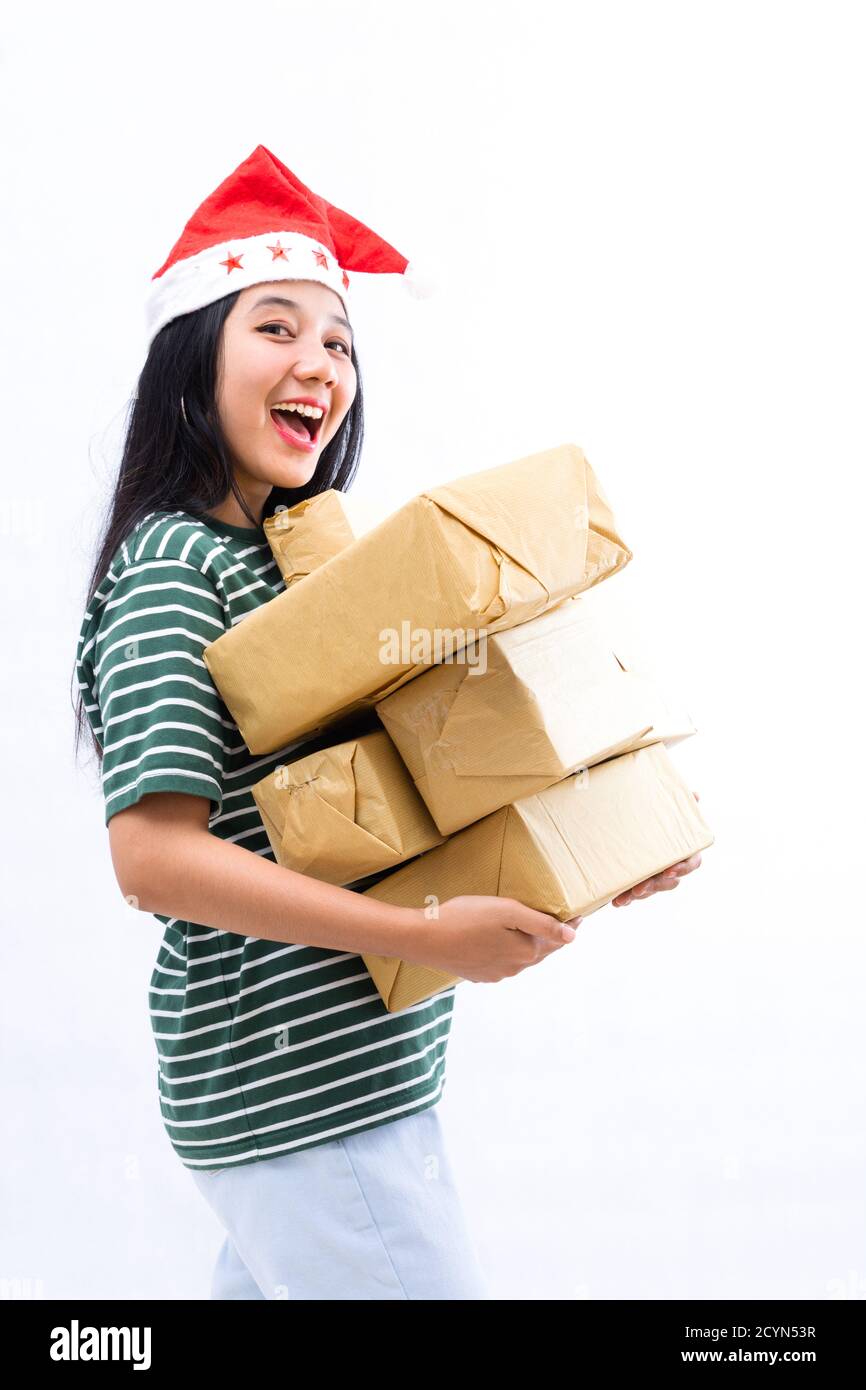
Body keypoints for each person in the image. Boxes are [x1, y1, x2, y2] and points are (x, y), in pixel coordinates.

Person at [72, 144, 702, 1300]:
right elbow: (150, 856)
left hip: (348, 1087)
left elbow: (405, 801)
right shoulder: (177, 566)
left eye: (337, 342)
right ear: (186, 362)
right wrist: (423, 940)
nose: (317, 362)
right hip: (299, 1102)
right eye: (275, 327)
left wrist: (600, 854)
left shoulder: (295, 572)